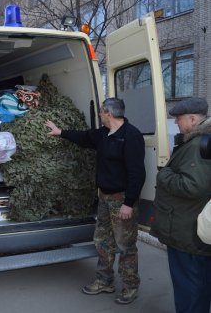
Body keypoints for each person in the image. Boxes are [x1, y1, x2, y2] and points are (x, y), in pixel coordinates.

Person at [45, 97, 145, 305]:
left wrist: (129, 202)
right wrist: (60, 131)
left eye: (101, 112)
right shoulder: (103, 134)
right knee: (102, 242)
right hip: (105, 198)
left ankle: (130, 286)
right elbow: (84, 137)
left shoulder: (131, 135)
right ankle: (104, 281)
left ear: (109, 113)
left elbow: (137, 173)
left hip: (122, 199)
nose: (99, 115)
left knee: (125, 246)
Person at [150, 97, 211, 313]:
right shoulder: (196, 141)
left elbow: (193, 186)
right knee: (197, 286)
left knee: (190, 288)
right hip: (189, 229)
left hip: (188, 233)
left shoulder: (197, 144)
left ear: (193, 119)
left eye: (178, 119)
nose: (176, 123)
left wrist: (164, 173)